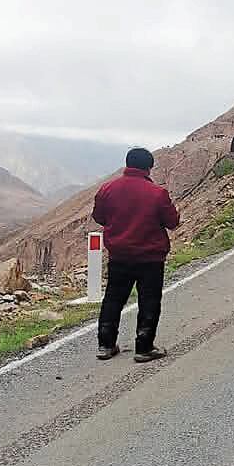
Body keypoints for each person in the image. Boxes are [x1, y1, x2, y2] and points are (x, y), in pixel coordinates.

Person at [91, 147, 180, 362]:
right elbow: (172, 222)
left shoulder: (108, 189)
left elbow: (99, 217)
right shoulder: (158, 193)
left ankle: (106, 345)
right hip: (150, 259)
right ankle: (144, 347)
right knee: (149, 301)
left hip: (119, 256)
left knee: (113, 299)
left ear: (127, 164)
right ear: (149, 167)